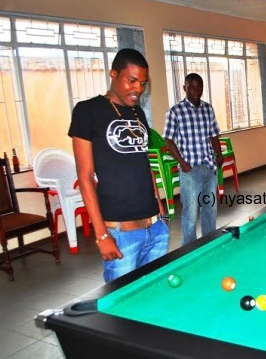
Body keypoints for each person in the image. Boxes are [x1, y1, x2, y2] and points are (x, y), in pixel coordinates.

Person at [69, 48, 169, 283]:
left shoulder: (138, 113)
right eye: (132, 80)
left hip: (155, 227)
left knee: (152, 294)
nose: (139, 89)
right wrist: (101, 234)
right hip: (120, 231)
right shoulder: (87, 111)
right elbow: (85, 177)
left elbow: (144, 163)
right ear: (113, 74)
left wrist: (160, 209)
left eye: (143, 83)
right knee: (121, 307)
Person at [163, 73, 223, 246]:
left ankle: (210, 243)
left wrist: (218, 155)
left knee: (209, 209)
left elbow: (213, 134)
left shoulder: (208, 108)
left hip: (209, 167)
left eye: (199, 87)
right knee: (190, 212)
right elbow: (168, 140)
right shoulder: (175, 111)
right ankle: (188, 249)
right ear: (184, 88)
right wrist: (184, 164)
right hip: (190, 169)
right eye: (192, 87)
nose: (196, 91)